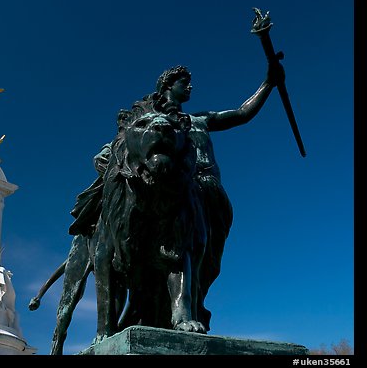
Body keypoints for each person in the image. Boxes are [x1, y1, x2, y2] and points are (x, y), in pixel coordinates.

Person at [69, 61, 284, 330]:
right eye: (184, 82)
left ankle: (191, 305)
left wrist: (268, 83)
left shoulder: (198, 120)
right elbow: (115, 149)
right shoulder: (153, 123)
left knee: (209, 262)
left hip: (212, 194)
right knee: (185, 251)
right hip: (177, 193)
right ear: (168, 86)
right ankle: (175, 312)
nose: (190, 86)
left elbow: (241, 114)